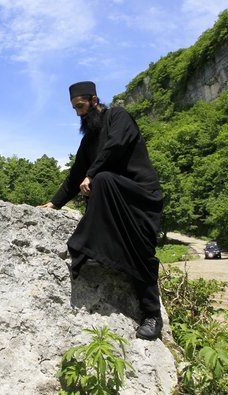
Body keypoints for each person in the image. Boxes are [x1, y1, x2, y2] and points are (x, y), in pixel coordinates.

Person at [39, 81, 164, 340]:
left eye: (81, 107)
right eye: (74, 109)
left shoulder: (118, 116)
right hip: (112, 199)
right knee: (103, 181)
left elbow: (116, 145)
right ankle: (95, 252)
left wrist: (93, 173)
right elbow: (75, 176)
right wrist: (55, 203)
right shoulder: (89, 140)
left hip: (139, 196)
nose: (78, 114)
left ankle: (152, 316)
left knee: (140, 250)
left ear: (94, 101)